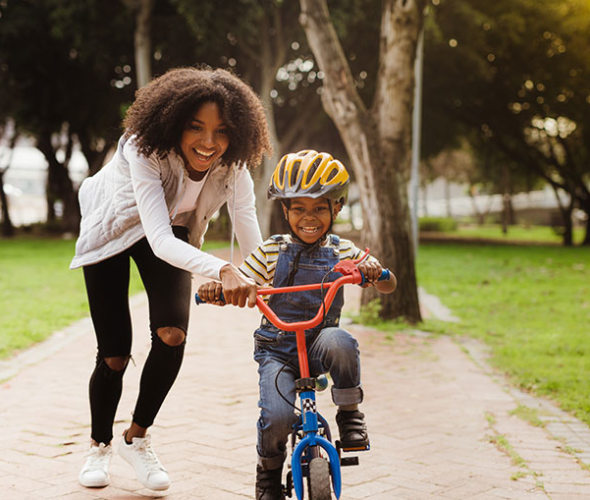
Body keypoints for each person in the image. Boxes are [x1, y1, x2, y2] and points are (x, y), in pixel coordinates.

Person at [70, 67, 271, 491]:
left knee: (172, 333)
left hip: (170, 230)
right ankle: (99, 445)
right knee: (114, 354)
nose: (209, 142)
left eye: (221, 131)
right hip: (112, 230)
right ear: (174, 123)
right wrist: (224, 268)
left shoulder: (232, 166)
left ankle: (136, 438)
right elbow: (158, 239)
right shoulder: (144, 150)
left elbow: (247, 222)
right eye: (196, 128)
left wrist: (265, 276)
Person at [197, 150, 396, 499]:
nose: (309, 217)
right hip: (278, 350)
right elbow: (244, 280)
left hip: (320, 345)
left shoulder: (343, 250)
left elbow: (388, 283)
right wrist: (222, 288)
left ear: (336, 208)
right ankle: (268, 475)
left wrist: (374, 273)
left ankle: (349, 414)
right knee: (276, 417)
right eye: (299, 208)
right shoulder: (272, 250)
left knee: (342, 341)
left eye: (320, 208)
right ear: (285, 211)